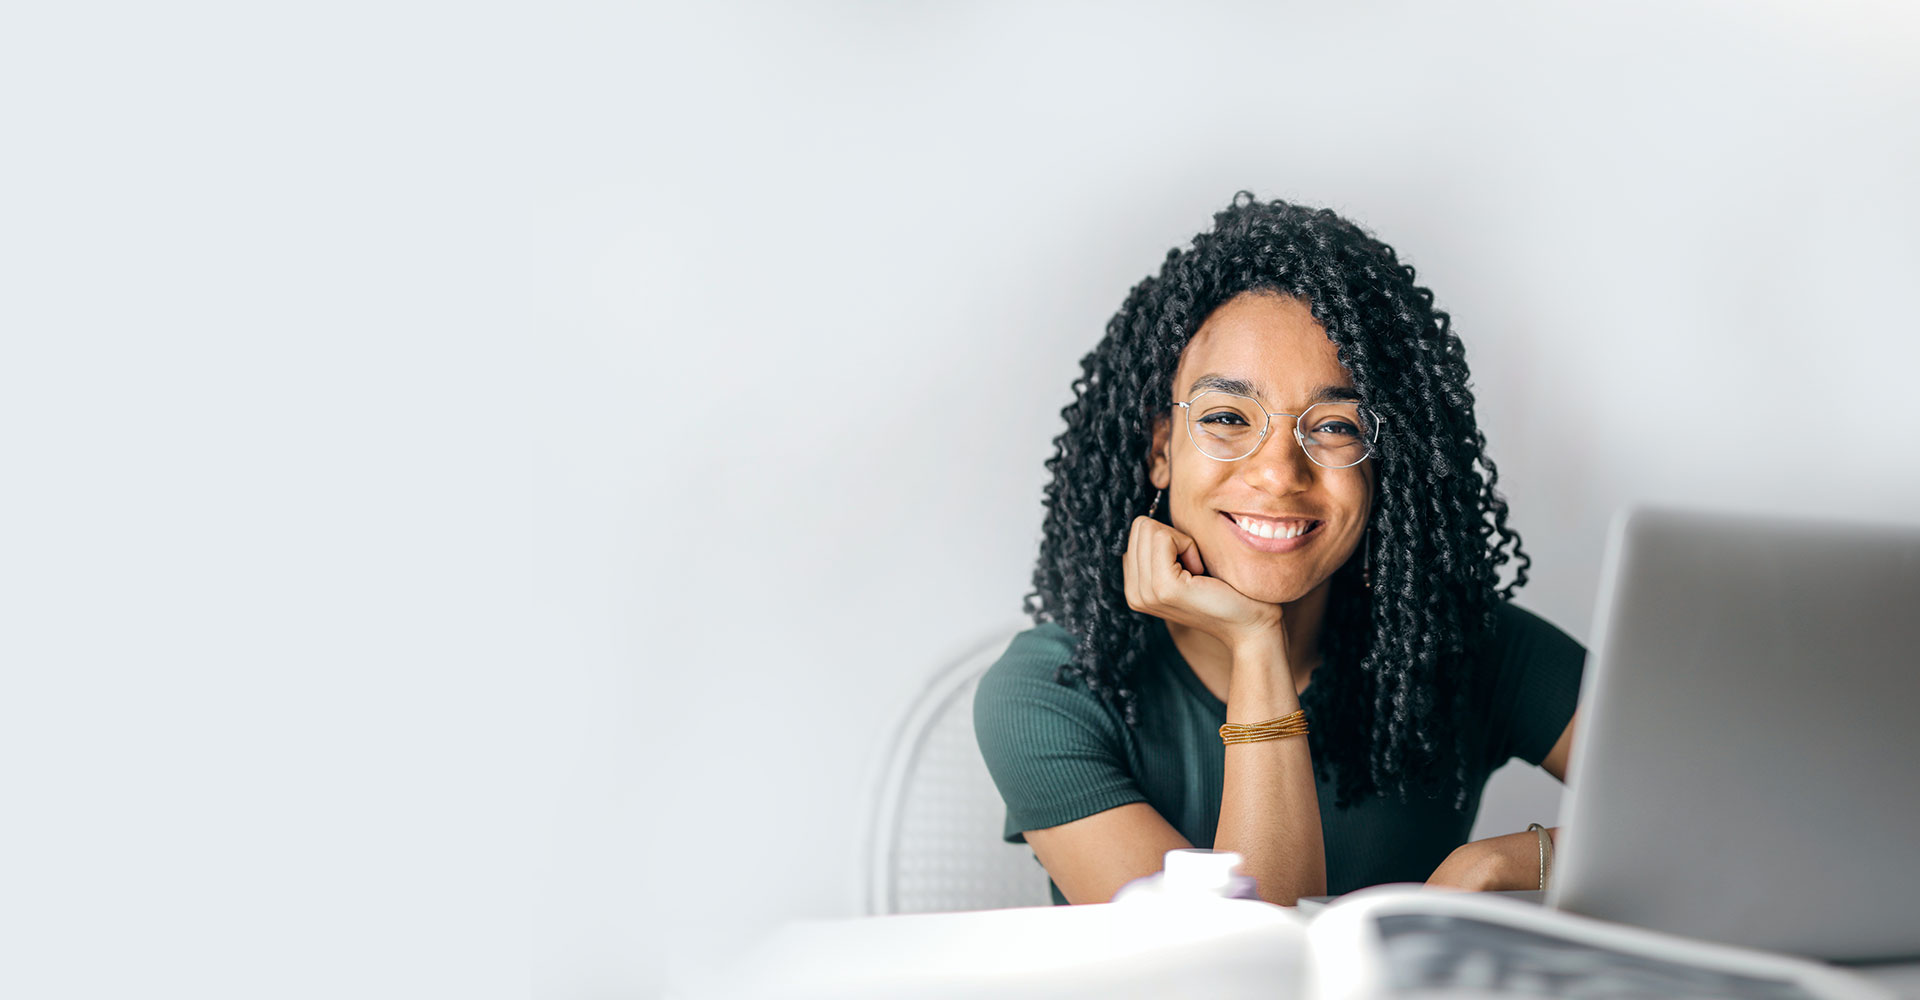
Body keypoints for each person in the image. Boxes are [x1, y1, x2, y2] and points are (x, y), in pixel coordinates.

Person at [973, 192, 1587, 907]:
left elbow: (1728, 814)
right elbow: (1240, 973)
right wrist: (1255, 642)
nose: (1277, 472)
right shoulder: (1052, 691)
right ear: (1160, 450)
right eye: (1228, 417)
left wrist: (1506, 862)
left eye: (1334, 427)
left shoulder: (1466, 647)